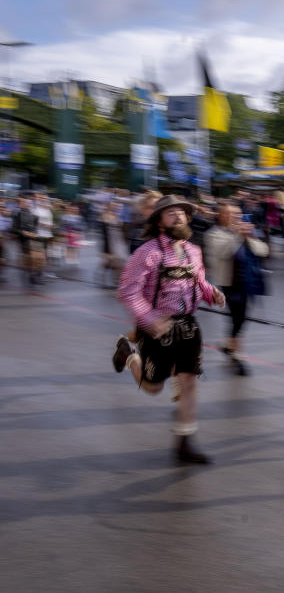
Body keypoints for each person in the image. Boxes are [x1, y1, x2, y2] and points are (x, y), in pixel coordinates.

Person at [111, 195, 226, 464]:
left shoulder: (193, 251)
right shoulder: (147, 253)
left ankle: (185, 443)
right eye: (171, 213)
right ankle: (128, 354)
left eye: (182, 213)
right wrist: (149, 320)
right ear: (160, 221)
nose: (178, 217)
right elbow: (127, 292)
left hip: (188, 326)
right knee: (153, 388)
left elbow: (199, 282)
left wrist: (212, 294)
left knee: (188, 383)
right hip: (157, 329)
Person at [204, 202, 270, 375]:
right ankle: (236, 355)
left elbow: (263, 250)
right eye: (229, 213)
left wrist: (250, 236)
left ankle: (228, 346)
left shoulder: (244, 232)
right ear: (221, 215)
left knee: (241, 318)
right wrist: (239, 235)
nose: (234, 217)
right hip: (229, 282)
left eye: (237, 214)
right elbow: (223, 252)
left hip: (248, 281)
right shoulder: (214, 234)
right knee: (237, 317)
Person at [98, 200, 128, 288]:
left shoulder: (116, 216)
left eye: (115, 206)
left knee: (119, 262)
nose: (115, 208)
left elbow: (120, 229)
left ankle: (116, 281)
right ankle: (102, 278)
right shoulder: (104, 215)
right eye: (113, 206)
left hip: (117, 241)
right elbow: (103, 231)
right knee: (108, 263)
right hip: (109, 242)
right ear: (108, 206)